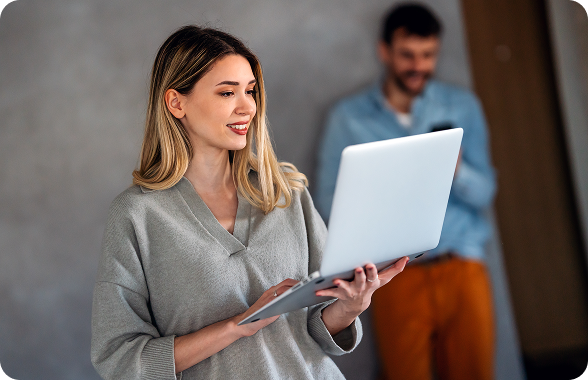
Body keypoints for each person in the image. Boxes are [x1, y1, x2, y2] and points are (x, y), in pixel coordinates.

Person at [91, 26, 409, 380]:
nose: (247, 107)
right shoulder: (137, 215)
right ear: (176, 102)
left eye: (251, 91)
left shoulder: (287, 192)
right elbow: (119, 358)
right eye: (227, 93)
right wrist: (237, 326)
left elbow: (317, 326)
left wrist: (350, 306)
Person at [315, 4, 496, 380]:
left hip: (462, 265)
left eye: (428, 55)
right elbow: (329, 203)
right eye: (408, 54)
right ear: (385, 51)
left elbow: (485, 193)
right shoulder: (347, 119)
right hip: (395, 274)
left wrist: (455, 167)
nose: (419, 65)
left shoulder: (462, 107)